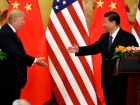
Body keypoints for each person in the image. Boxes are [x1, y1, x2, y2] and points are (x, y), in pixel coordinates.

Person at [67, 11, 139, 105]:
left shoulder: (128, 37)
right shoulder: (104, 37)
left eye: (105, 22)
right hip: (106, 82)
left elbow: (135, 57)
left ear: (113, 22)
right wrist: (79, 50)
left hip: (121, 83)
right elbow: (94, 48)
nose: (102, 24)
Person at [0, 9, 48, 105]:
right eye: (21, 20)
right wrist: (35, 60)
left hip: (12, 78)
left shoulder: (10, 31)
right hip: (9, 78)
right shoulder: (5, 33)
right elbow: (16, 52)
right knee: (9, 100)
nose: (23, 22)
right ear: (13, 21)